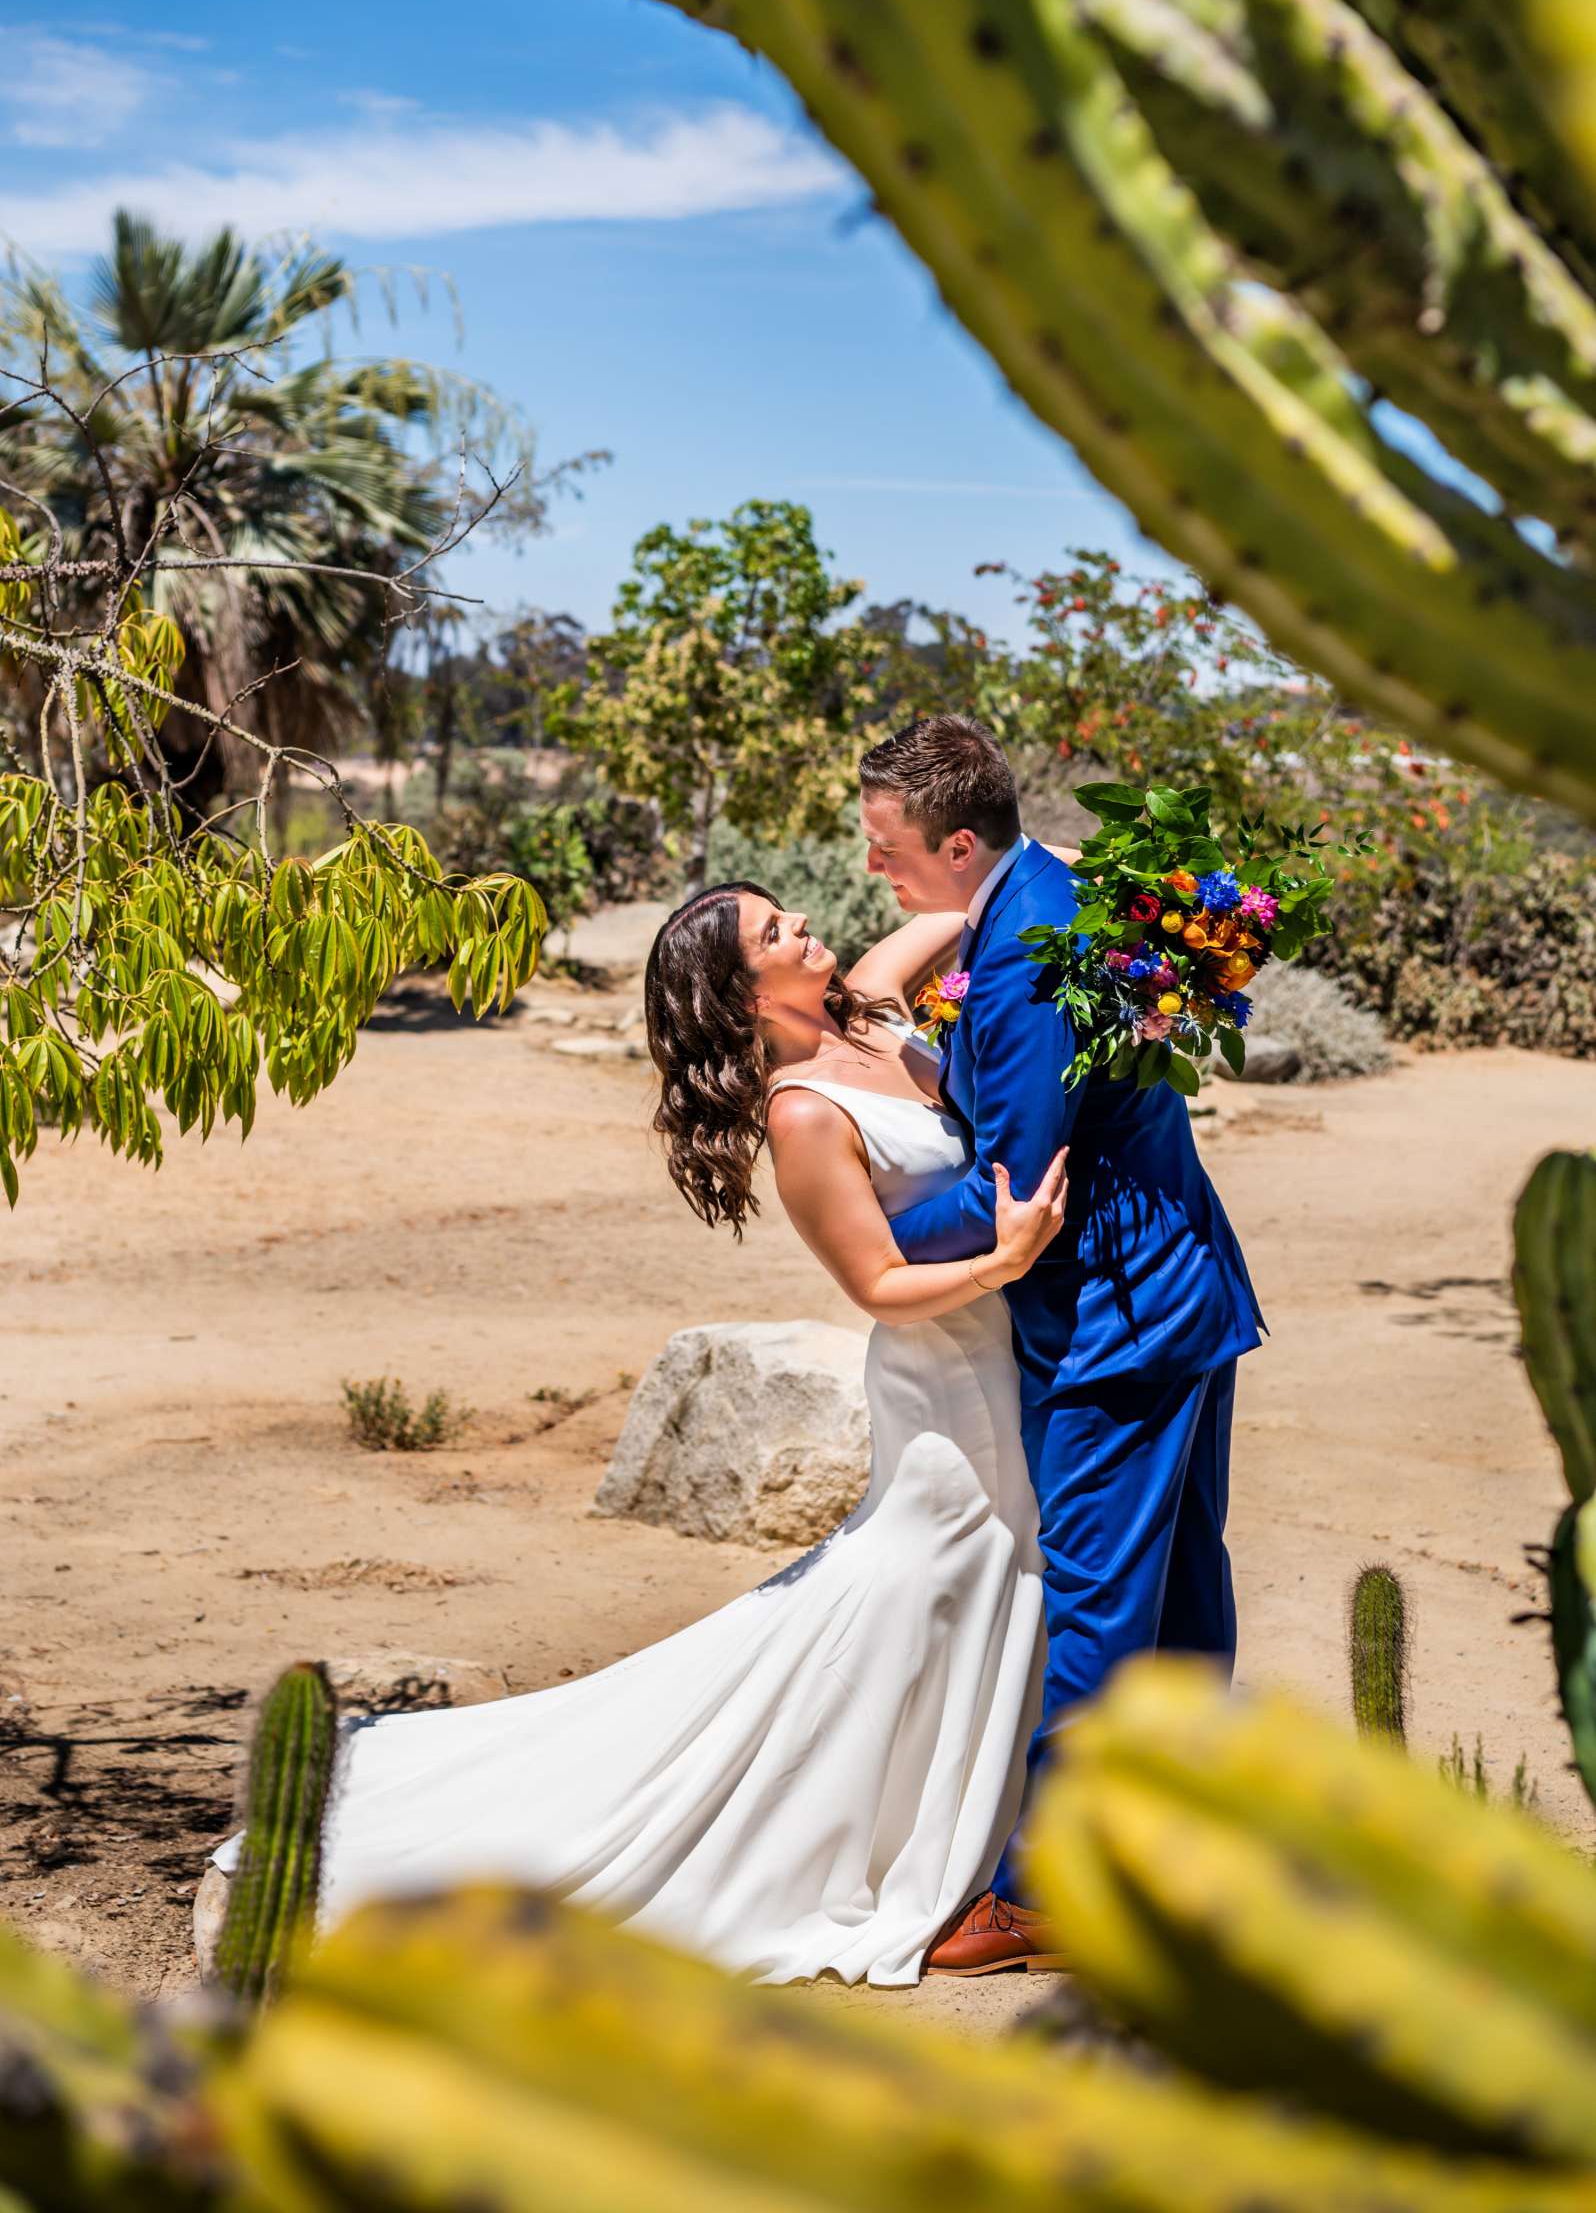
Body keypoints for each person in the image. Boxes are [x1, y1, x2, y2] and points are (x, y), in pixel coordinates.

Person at [210, 871, 1068, 1986]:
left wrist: (1119, 924)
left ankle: (973, 1829)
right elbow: (876, 1283)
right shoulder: (804, 1112)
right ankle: (851, 1836)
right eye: (776, 930)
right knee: (929, 1581)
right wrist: (1005, 1259)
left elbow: (966, 906)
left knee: (987, 1581)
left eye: (788, 913)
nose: (804, 924)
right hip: (942, 1376)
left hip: (1005, 1356)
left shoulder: (871, 1003)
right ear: (744, 994)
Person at [857, 715, 1263, 1975]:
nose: (879, 874)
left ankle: (1048, 1891)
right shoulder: (1044, 890)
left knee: (1098, 1597)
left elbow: (1016, 1184)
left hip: (1117, 1321)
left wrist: (870, 1237)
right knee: (1185, 1586)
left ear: (957, 839)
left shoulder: (1028, 948)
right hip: (1185, 1290)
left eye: (889, 850)